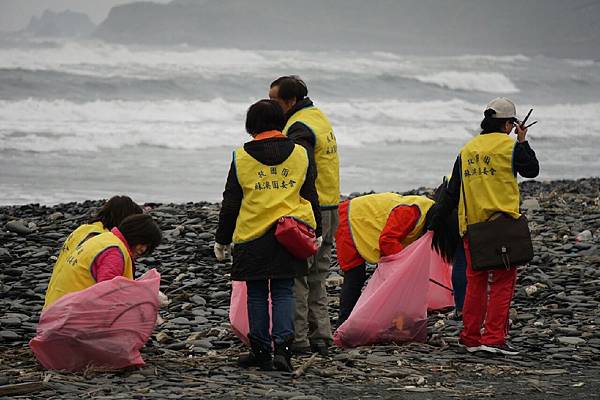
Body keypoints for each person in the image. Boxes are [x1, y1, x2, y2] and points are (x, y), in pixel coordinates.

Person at [215, 99, 322, 372]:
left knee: (257, 293)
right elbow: (310, 194)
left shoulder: (241, 157)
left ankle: (261, 352)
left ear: (252, 125)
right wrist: (317, 230)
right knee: (285, 291)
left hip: (252, 235)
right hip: (290, 233)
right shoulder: (300, 153)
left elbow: (231, 203)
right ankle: (283, 353)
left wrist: (222, 238)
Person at [429, 97, 540, 355]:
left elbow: (452, 191)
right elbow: (531, 170)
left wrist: (434, 221)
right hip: (502, 225)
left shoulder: (467, 150)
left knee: (475, 281)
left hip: (472, 227)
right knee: (502, 282)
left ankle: (469, 338)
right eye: (512, 124)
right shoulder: (509, 147)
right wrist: (523, 141)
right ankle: (493, 339)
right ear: (507, 124)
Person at [269, 76, 340, 356]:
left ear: (290, 101)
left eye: (274, 100)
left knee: (298, 275)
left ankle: (298, 339)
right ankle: (321, 335)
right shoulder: (318, 117)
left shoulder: (298, 127)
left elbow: (303, 167)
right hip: (331, 205)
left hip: (310, 211)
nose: (271, 105)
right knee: (318, 276)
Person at [335, 192, 435, 325]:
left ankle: (373, 316)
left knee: (381, 275)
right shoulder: (411, 212)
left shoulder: (426, 211)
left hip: (364, 218)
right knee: (354, 277)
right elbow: (387, 241)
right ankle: (344, 323)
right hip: (348, 219)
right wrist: (404, 267)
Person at [44, 195, 143, 308]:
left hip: (55, 300)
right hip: (72, 310)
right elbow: (107, 289)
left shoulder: (83, 230)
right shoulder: (106, 242)